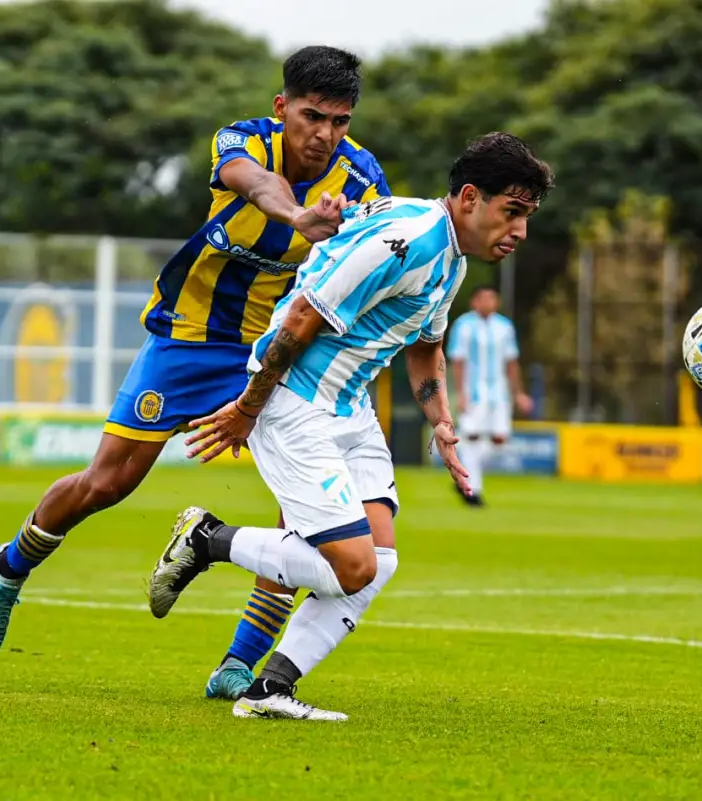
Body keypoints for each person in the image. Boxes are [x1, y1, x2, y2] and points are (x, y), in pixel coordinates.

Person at [0, 46, 390, 667]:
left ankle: (240, 664)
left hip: (277, 351)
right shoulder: (243, 141)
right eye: (312, 116)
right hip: (188, 337)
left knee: (303, 508)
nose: (325, 134)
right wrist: (300, 216)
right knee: (107, 482)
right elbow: (258, 185)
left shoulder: (361, 177)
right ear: (282, 108)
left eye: (340, 121)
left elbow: (372, 256)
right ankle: (7, 572)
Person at [147, 132, 553, 720]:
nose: (520, 230)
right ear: (470, 198)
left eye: (527, 217)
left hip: (349, 407)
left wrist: (443, 424)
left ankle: (269, 690)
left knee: (379, 563)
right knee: (355, 564)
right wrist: (249, 407)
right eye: (512, 212)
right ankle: (207, 539)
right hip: (293, 400)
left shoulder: (451, 258)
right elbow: (302, 315)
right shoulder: (406, 241)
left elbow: (425, 348)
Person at [446, 285, 533, 506]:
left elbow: (511, 362)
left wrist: (518, 393)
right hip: (474, 392)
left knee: (500, 439)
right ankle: (472, 489)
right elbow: (458, 361)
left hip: (499, 392)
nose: (487, 302)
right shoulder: (463, 325)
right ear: (474, 302)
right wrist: (460, 393)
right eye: (482, 298)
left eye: (491, 298)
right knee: (472, 436)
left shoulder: (504, 327)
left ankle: (463, 475)